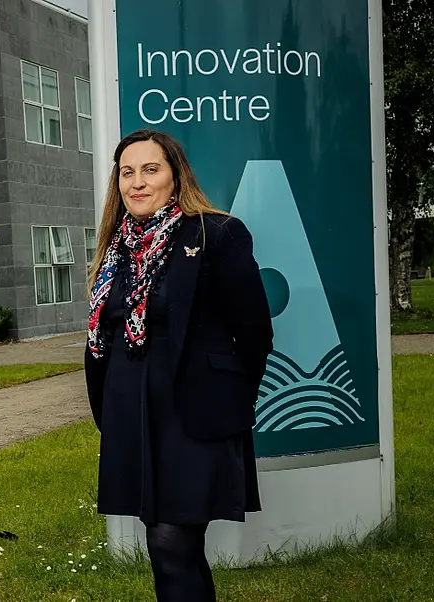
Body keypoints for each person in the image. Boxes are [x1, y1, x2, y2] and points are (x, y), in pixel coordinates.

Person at [84, 128, 273, 601]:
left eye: (151, 169)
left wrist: (226, 403)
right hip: (134, 414)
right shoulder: (117, 247)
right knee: (171, 545)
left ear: (175, 176)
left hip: (194, 416)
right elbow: (104, 336)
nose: (137, 182)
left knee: (171, 541)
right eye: (127, 172)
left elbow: (255, 335)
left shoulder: (216, 233)